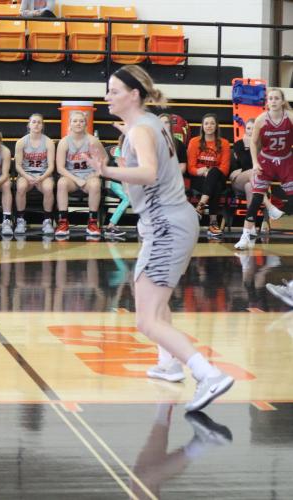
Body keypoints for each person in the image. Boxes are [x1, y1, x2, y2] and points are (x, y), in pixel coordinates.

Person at [89, 65, 234, 412]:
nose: (107, 96)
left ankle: (208, 374)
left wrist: (106, 169)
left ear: (133, 95)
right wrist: (126, 142)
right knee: (157, 301)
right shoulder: (147, 125)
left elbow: (149, 172)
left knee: (146, 318)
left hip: (167, 226)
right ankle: (169, 363)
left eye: (114, 91)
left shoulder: (142, 129)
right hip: (170, 222)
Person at [235, 88, 293, 250]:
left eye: (276, 98)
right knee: (256, 199)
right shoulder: (261, 119)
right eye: (270, 98)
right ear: (267, 102)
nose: (273, 101)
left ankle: (276, 210)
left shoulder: (290, 116)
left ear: (282, 101)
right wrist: (255, 163)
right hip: (266, 160)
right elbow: (253, 142)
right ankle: (245, 235)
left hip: (285, 160)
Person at [55, 110, 106, 238]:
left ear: (86, 124)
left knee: (95, 184)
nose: (78, 123)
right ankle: (63, 222)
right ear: (70, 123)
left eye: (81, 121)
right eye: (75, 121)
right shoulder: (64, 142)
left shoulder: (92, 141)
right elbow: (60, 168)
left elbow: (105, 159)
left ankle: (92, 222)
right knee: (61, 183)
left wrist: (94, 174)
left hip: (88, 176)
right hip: (71, 177)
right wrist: (76, 180)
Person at [230, 118, 284, 234]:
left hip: (254, 181)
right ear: (245, 130)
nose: (251, 131)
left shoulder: (263, 145)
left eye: (254, 128)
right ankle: (269, 207)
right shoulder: (239, 144)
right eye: (249, 128)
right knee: (252, 173)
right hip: (237, 179)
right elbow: (242, 165)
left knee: (250, 187)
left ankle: (251, 227)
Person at [187, 113, 231, 238]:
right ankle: (213, 224)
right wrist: (202, 171)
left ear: (216, 126)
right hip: (200, 179)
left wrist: (210, 172)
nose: (209, 126)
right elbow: (191, 168)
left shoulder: (224, 143)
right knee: (214, 186)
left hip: (218, 176)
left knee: (215, 173)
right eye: (206, 123)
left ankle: (200, 206)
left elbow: (224, 169)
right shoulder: (194, 142)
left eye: (212, 123)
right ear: (202, 126)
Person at [14, 113, 56, 235]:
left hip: (43, 174)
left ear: (42, 125)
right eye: (34, 122)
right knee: (21, 187)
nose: (36, 124)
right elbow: (18, 165)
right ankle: (21, 220)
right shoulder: (21, 142)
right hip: (26, 174)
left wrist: (42, 177)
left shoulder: (48, 142)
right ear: (29, 125)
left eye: (39, 122)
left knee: (48, 188)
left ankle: (47, 220)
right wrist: (27, 176)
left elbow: (51, 166)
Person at [103, 133, 130, 238]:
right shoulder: (118, 151)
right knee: (127, 199)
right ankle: (111, 226)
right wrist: (127, 188)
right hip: (117, 183)